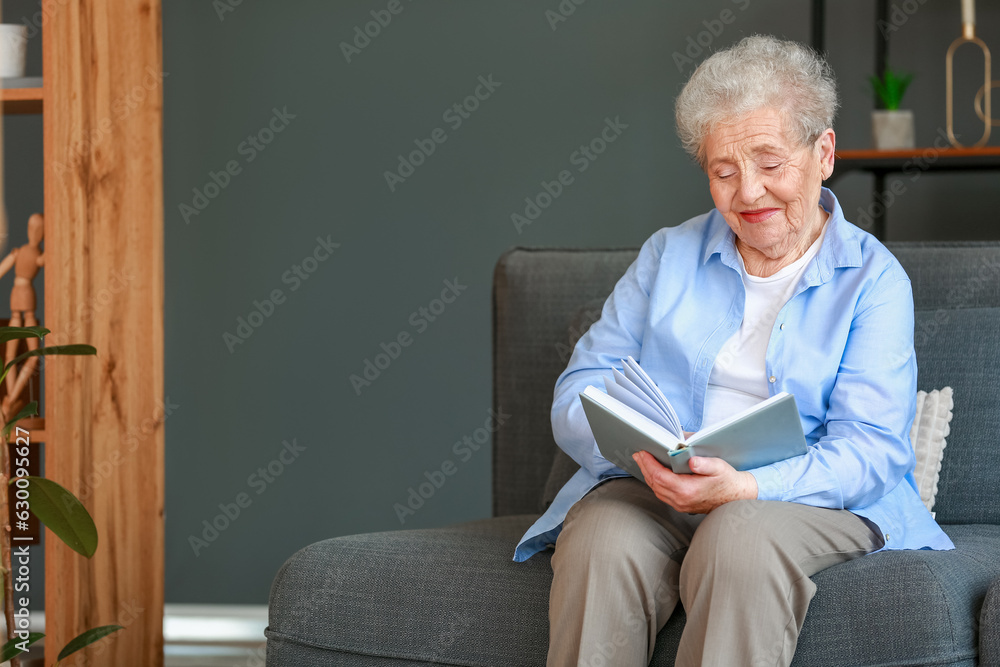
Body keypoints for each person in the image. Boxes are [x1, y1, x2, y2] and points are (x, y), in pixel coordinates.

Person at [512, 35, 955, 667]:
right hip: (656, 484)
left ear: (823, 152)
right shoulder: (668, 255)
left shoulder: (873, 280)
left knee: (738, 537)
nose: (748, 194)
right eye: (724, 171)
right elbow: (580, 386)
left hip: (798, 499)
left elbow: (873, 448)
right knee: (601, 538)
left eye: (770, 164)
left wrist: (747, 486)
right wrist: (647, 458)